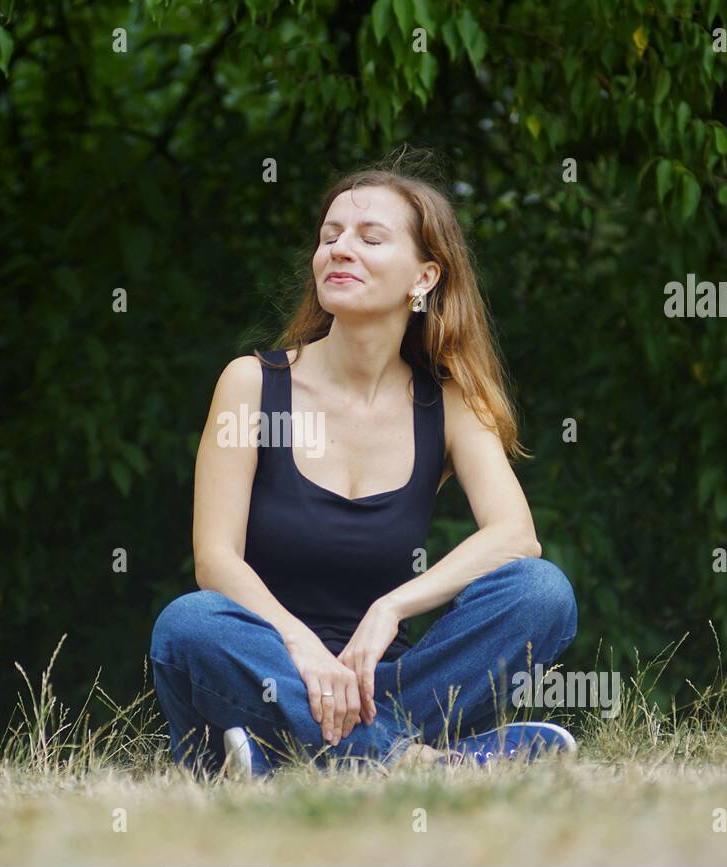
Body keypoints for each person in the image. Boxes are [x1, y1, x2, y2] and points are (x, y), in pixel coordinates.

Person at [150, 159, 579, 777]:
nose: (339, 250)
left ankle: (290, 755)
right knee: (188, 625)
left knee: (542, 593)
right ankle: (420, 760)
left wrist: (392, 609)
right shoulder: (252, 384)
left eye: (370, 239)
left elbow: (516, 537)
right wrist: (301, 647)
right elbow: (216, 562)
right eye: (330, 237)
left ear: (424, 277)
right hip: (266, 663)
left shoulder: (449, 400)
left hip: (386, 682)